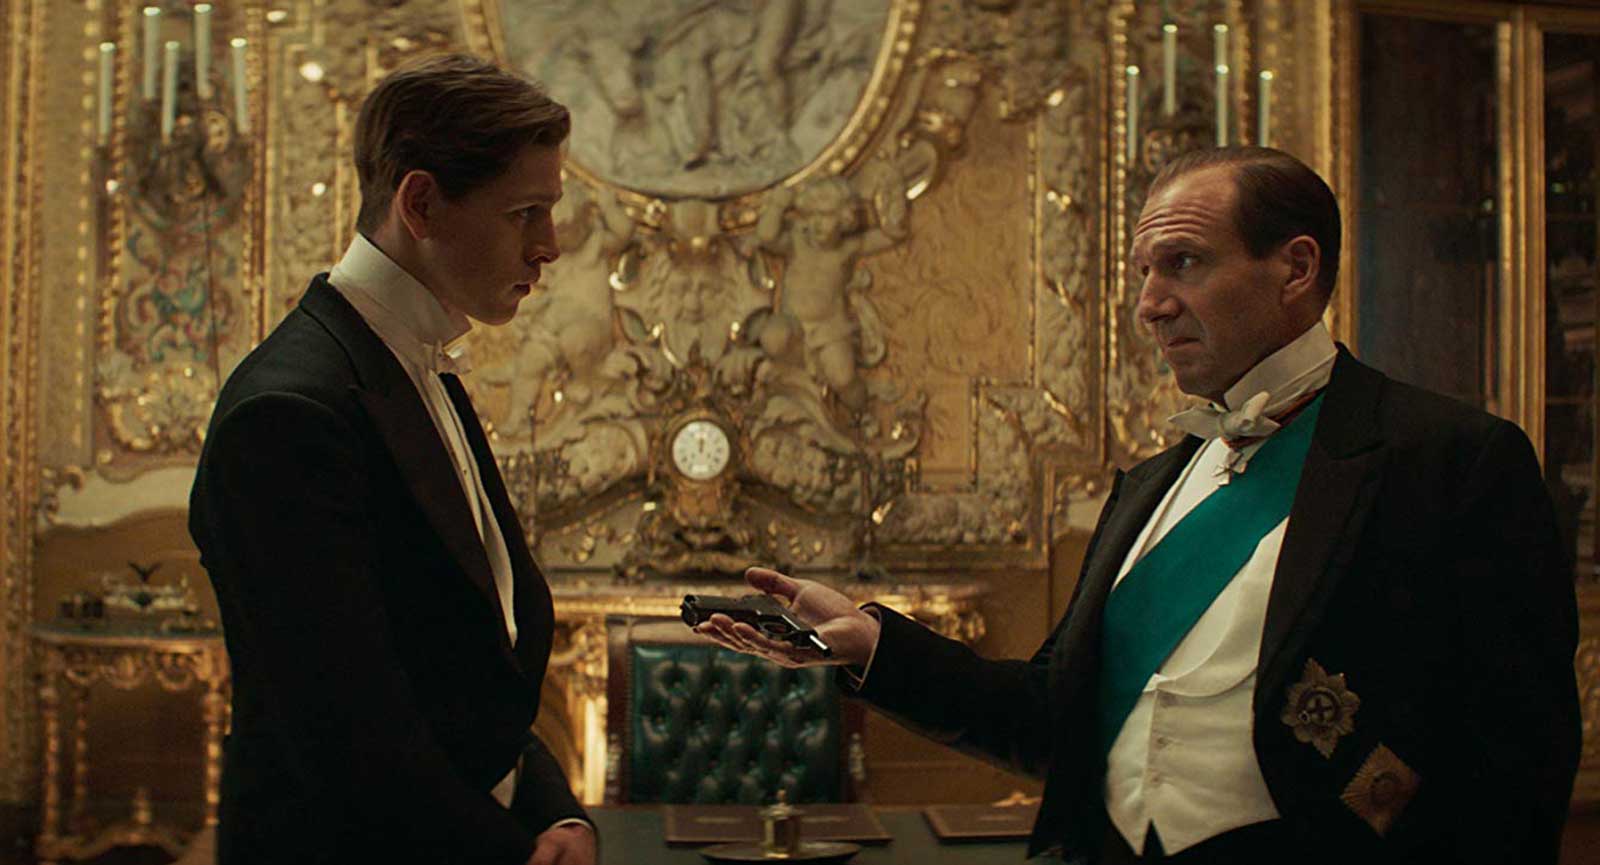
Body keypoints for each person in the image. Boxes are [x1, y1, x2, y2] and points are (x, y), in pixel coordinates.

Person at [696, 146, 1581, 864]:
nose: (1151, 305)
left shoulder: (1451, 461)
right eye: (1144, 271)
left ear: (1296, 267)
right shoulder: (1152, 484)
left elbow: (1516, 774)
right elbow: (1053, 718)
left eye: (1184, 263)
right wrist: (873, 645)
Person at [189, 54, 595, 865]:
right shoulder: (288, 414)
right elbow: (349, 739)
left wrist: (561, 816)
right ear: (421, 204)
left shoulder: (408, 363)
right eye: (525, 213)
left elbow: (470, 676)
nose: (548, 246)